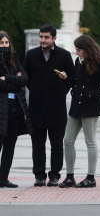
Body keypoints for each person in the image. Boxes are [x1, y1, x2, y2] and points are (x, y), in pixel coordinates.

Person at [58, 35, 100, 188]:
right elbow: (76, 82)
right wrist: (65, 78)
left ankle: (90, 177)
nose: (77, 53)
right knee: (68, 141)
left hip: (90, 107)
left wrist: (91, 94)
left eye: (79, 50)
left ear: (87, 49)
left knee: (90, 141)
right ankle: (70, 176)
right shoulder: (78, 62)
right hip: (76, 106)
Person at [23, 24, 74, 187]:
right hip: (36, 107)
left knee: (57, 144)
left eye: (46, 37)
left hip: (57, 108)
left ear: (54, 38)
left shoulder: (64, 56)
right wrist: (38, 91)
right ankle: (39, 175)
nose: (42, 40)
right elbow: (26, 79)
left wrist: (60, 90)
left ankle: (54, 175)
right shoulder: (30, 55)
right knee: (37, 144)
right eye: (41, 37)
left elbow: (72, 80)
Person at [0, 31, 33, 188]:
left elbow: (24, 79)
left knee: (10, 147)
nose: (5, 46)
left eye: (6, 43)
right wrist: (16, 80)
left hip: (15, 110)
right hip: (1, 110)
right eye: (2, 43)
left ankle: (3, 178)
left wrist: (7, 77)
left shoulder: (14, 59)